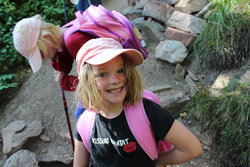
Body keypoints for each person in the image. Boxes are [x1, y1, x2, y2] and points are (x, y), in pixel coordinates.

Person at [73, 38, 203, 167]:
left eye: (120, 70)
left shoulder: (148, 112)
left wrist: (155, 162)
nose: (115, 80)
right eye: (102, 74)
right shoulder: (85, 123)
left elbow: (192, 148)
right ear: (86, 81)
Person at [12, 14, 94, 118]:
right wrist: (59, 61)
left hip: (114, 83)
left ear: (47, 37)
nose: (43, 57)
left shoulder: (73, 41)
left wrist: (65, 81)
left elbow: (98, 82)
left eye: (41, 53)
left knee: (81, 116)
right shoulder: (65, 33)